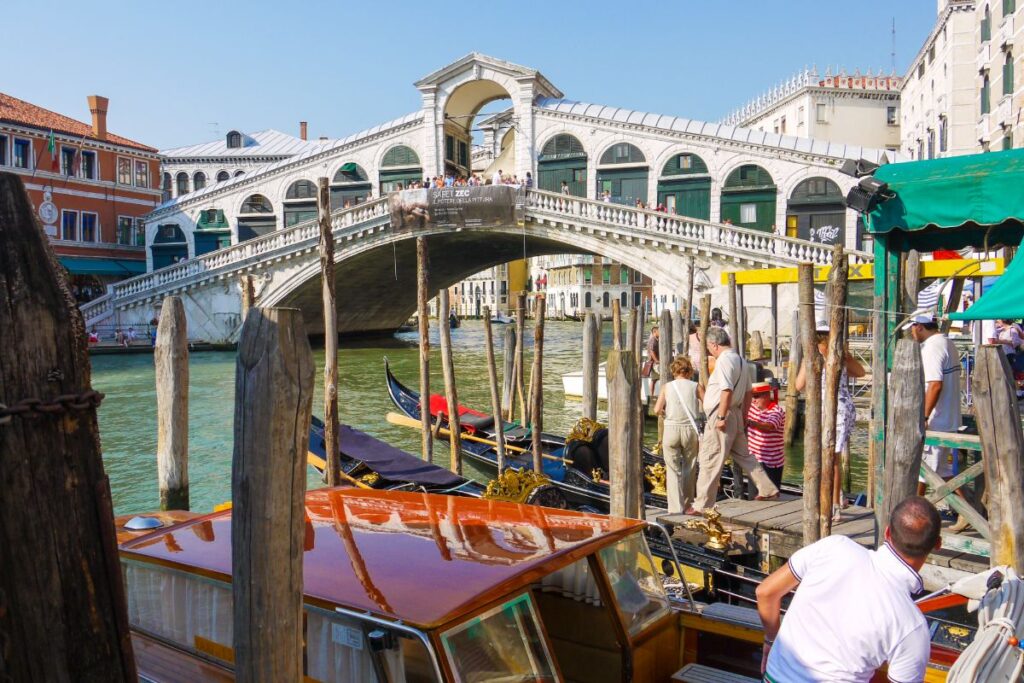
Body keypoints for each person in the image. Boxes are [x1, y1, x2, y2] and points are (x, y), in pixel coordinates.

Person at [757, 496, 941, 682]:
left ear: (887, 533)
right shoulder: (912, 625)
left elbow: (766, 592)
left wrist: (770, 641)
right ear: (937, 545)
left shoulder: (833, 546)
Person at [690, 327, 779, 512]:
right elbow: (748, 392)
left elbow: (726, 390)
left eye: (707, 346)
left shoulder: (723, 361)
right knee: (745, 456)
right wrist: (744, 417)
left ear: (714, 344)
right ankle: (768, 489)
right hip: (736, 414)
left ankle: (702, 505)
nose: (708, 350)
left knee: (711, 459)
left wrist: (721, 417)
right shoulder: (740, 360)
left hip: (721, 414)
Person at [795, 322, 866, 521]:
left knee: (831, 457)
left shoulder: (818, 353)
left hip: (831, 409)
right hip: (837, 407)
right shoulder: (839, 353)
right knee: (831, 457)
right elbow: (860, 372)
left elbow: (799, 385)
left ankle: (833, 504)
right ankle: (836, 499)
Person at [905, 313, 964, 510]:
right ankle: (965, 510)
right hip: (950, 417)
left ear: (919, 326)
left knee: (924, 470)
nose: (911, 333)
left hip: (937, 419)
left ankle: (914, 511)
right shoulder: (947, 342)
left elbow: (935, 384)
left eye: (912, 328)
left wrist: (924, 416)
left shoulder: (931, 348)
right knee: (942, 471)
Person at [653, 356, 701, 513]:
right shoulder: (696, 386)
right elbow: (707, 405)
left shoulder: (667, 387)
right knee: (690, 467)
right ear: (689, 371)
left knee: (673, 469)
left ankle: (674, 508)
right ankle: (688, 505)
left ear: (674, 371)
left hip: (671, 429)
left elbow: (656, 409)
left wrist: (665, 413)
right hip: (690, 429)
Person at [746, 382, 786, 489]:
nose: (753, 400)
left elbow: (769, 427)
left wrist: (751, 423)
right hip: (754, 460)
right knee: (754, 494)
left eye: (756, 397)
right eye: (752, 397)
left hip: (771, 463)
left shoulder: (776, 412)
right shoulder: (752, 407)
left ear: (766, 395)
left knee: (770, 498)